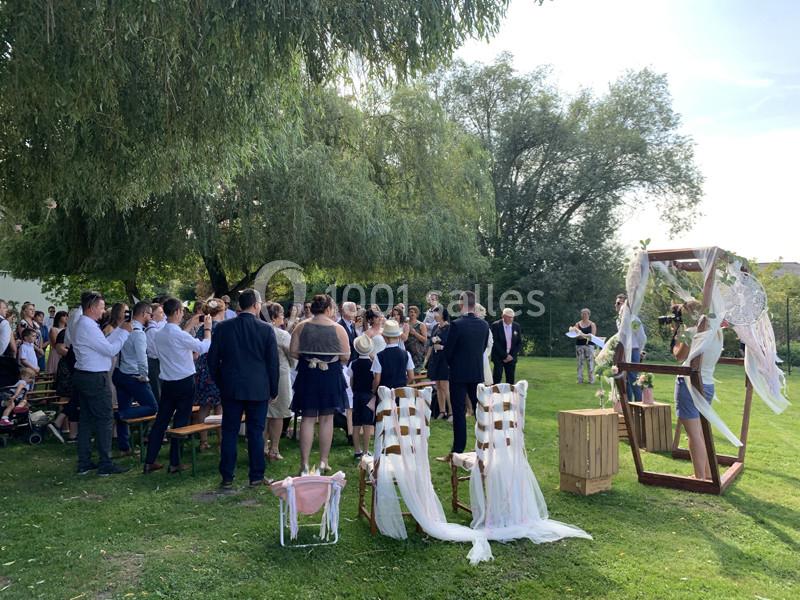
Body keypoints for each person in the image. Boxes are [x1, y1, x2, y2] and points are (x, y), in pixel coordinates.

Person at [207, 289, 279, 487]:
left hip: (232, 387)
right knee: (256, 432)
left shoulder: (223, 328)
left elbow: (212, 360)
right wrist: (273, 389)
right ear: (256, 305)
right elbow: (272, 364)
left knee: (229, 431)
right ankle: (256, 475)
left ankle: (227, 476)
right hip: (258, 388)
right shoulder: (265, 329)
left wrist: (221, 382)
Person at [143, 298, 212, 474]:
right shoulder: (178, 334)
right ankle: (175, 461)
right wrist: (208, 329)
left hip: (168, 382)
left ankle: (150, 460)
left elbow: (178, 340)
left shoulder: (159, 333)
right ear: (177, 312)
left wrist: (189, 325)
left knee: (161, 422)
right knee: (180, 422)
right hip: (184, 382)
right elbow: (203, 346)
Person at [72, 291, 132, 476]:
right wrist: (125, 334)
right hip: (95, 377)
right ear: (91, 308)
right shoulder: (88, 326)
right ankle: (105, 463)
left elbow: (103, 343)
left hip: (84, 375)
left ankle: (84, 462)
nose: (103, 310)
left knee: (87, 420)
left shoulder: (84, 323)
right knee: (105, 419)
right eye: (100, 307)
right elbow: (110, 349)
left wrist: (120, 330)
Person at [289, 294, 350, 475]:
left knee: (307, 419)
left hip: (308, 373)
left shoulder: (300, 327)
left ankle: (305, 464)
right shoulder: (338, 329)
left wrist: (309, 357)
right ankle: (324, 461)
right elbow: (346, 356)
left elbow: (293, 352)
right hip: (330, 374)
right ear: (329, 309)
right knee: (326, 418)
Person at [672, 303, 724, 480]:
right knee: (701, 433)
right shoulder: (717, 333)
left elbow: (678, 355)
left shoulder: (691, 332)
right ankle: (708, 473)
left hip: (688, 384)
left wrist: (678, 334)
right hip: (708, 384)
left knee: (694, 435)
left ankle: (699, 476)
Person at [445, 291, 490, 455]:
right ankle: (484, 443)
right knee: (480, 410)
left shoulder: (456, 324)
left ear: (460, 304)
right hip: (477, 372)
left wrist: (454, 363)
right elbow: (483, 348)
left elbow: (448, 352)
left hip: (458, 373)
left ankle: (458, 448)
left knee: (459, 411)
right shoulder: (484, 325)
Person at [112, 301, 158, 456]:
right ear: (144, 314)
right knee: (152, 406)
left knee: (124, 406)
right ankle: (120, 416)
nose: (151, 317)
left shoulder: (125, 327)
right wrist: (144, 376)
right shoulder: (138, 332)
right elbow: (141, 358)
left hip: (120, 372)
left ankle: (124, 447)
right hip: (133, 376)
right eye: (150, 314)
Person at [193, 298, 226, 449]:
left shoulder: (202, 328)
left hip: (202, 370)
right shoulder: (221, 327)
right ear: (221, 311)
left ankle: (203, 441)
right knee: (219, 406)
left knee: (204, 407)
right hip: (216, 369)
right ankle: (221, 440)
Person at [264, 302, 294, 462]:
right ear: (274, 317)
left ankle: (262, 446)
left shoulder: (260, 331)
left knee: (264, 413)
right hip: (280, 374)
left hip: (261, 374)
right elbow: (292, 357)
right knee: (278, 413)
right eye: (281, 314)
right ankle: (274, 448)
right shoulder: (282, 335)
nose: (283, 317)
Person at [616, 293, 647, 402]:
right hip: (622, 352)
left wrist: (638, 349)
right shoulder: (619, 320)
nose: (618, 306)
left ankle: (639, 402)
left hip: (633, 350)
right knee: (625, 380)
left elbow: (642, 337)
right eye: (617, 303)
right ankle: (627, 403)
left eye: (620, 303)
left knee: (633, 378)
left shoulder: (634, 320)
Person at [371, 319, 415, 393]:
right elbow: (411, 376)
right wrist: (403, 384)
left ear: (384, 337)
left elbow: (377, 380)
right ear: (398, 336)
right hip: (401, 393)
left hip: (385, 394)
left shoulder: (379, 356)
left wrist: (374, 390)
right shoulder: (406, 354)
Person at [424, 305, 451, 419]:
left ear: (443, 315)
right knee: (438, 385)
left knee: (445, 386)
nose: (435, 316)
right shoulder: (435, 327)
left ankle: (451, 412)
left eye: (437, 314)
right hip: (435, 359)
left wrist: (443, 347)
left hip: (445, 359)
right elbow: (431, 344)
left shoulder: (450, 328)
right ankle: (442, 411)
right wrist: (426, 359)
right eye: (434, 314)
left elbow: (453, 345)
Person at [351, 334, 375, 460]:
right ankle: (365, 451)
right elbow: (375, 380)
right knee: (367, 425)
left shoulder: (353, 364)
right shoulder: (373, 363)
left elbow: (351, 380)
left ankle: (357, 450)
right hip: (368, 395)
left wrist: (354, 389)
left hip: (357, 395)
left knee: (356, 424)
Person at [490, 307, 522, 385]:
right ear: (503, 316)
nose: (511, 319)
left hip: (511, 357)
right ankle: (495, 396)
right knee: (497, 377)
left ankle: (510, 396)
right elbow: (495, 342)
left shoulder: (516, 326)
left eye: (512, 317)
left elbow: (519, 343)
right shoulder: (496, 325)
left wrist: (511, 355)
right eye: (509, 317)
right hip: (498, 357)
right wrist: (505, 356)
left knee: (510, 379)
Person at [144, 303, 165, 404]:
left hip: (156, 361)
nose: (163, 314)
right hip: (153, 362)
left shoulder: (156, 328)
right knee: (157, 388)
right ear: (153, 315)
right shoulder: (152, 331)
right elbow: (156, 350)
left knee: (159, 387)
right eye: (160, 312)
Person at [573, 308, 597, 384]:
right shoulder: (577, 324)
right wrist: (586, 336)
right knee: (580, 363)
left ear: (588, 315)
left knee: (590, 363)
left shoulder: (592, 324)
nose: (584, 315)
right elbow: (576, 336)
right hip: (579, 346)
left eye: (585, 314)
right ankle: (580, 380)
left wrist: (582, 335)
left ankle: (591, 380)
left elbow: (592, 336)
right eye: (582, 314)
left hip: (589, 346)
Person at [404, 306, 428, 373]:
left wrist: (415, 333)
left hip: (418, 354)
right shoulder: (405, 324)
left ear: (417, 314)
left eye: (414, 312)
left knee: (417, 373)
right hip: (407, 351)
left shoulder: (421, 325)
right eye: (411, 312)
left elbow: (424, 339)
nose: (412, 314)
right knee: (408, 373)